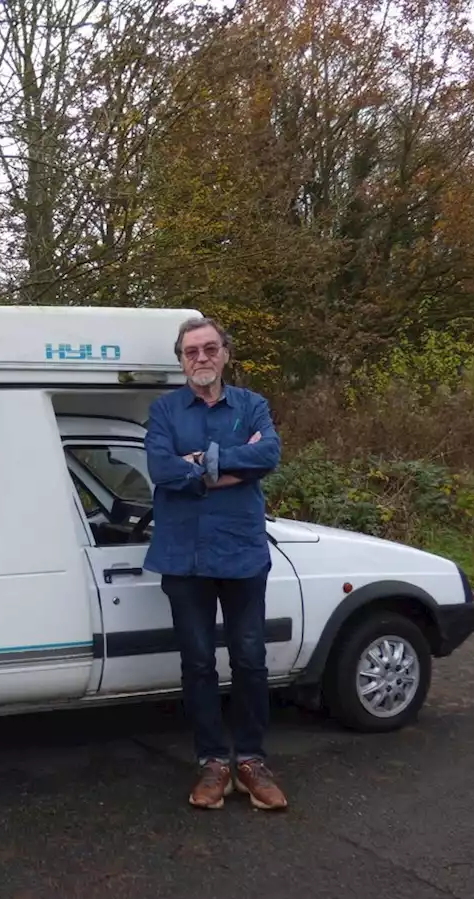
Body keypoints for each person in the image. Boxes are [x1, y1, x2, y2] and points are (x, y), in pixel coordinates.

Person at [143, 315, 287, 811]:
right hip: (183, 559)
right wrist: (229, 466)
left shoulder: (253, 406)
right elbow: (161, 470)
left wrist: (198, 464)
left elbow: (268, 455)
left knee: (250, 659)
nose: (200, 359)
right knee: (198, 663)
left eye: (209, 349)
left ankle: (250, 760)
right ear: (181, 360)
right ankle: (212, 763)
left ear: (225, 352)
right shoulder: (163, 411)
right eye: (190, 352)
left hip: (242, 554)